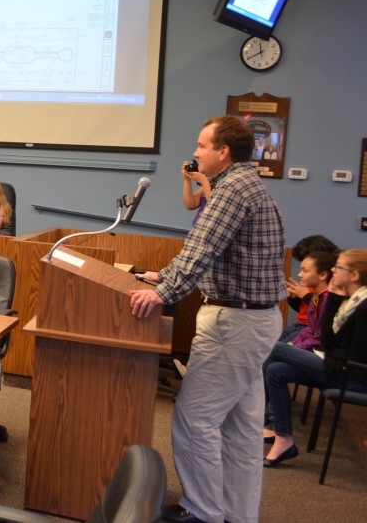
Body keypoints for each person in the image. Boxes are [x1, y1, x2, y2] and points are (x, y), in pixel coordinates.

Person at [129, 116, 286, 523]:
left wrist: (161, 292)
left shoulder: (231, 188)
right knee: (241, 431)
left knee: (194, 420)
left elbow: (202, 249)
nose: (195, 153)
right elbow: (211, 252)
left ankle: (202, 512)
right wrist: (164, 274)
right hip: (256, 320)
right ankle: (236, 515)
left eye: (202, 146)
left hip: (235, 324)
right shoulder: (248, 184)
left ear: (223, 152)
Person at [262, 250, 367, 466]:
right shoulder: (348, 299)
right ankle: (283, 438)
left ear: (354, 275)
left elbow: (351, 354)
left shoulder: (364, 307)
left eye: (339, 267)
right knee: (276, 371)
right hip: (335, 365)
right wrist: (336, 297)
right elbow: (328, 340)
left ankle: (259, 418)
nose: (333, 271)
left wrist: (325, 352)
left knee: (274, 348)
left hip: (350, 376)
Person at [282, 234, 340, 341]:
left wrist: (305, 295)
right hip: (299, 324)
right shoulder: (310, 281)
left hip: (309, 328)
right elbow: (303, 309)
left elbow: (324, 310)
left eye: (306, 269)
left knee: (278, 349)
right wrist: (293, 296)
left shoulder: (331, 285)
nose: (300, 274)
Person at [181, 159, 211, 225]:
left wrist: (204, 181)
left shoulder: (224, 183)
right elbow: (191, 204)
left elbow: (215, 207)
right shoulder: (211, 183)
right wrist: (187, 178)